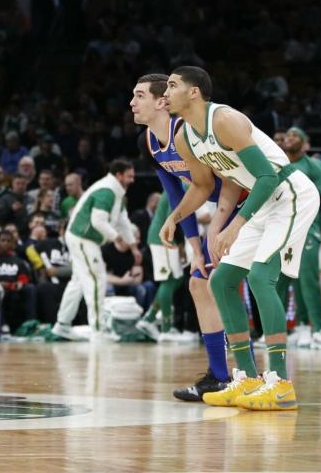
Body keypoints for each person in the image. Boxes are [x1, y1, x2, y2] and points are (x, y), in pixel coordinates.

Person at [159, 67, 321, 410]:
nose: (165, 93)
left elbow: (265, 176)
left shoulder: (225, 120)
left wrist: (235, 225)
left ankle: (279, 383)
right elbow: (215, 183)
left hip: (289, 192)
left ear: (194, 92)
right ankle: (246, 379)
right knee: (222, 281)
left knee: (262, 277)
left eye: (172, 85)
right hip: (261, 201)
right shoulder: (186, 136)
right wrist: (181, 218)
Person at [130, 72, 239, 400]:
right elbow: (176, 195)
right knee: (197, 281)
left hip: (243, 203)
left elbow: (226, 180)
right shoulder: (147, 142)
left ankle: (247, 373)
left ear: (162, 101)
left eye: (139, 96)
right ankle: (219, 376)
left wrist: (216, 231)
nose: (131, 103)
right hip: (217, 211)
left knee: (220, 280)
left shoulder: (190, 133)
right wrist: (195, 246)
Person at [50, 159, 138, 341]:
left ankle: (62, 325)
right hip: (83, 238)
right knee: (98, 280)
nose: (132, 180)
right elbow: (98, 221)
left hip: (84, 239)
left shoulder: (117, 192)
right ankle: (98, 330)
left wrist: (133, 246)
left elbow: (123, 221)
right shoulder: (106, 191)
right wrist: (117, 238)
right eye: (129, 176)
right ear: (119, 175)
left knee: (78, 282)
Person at [278, 127, 321, 346]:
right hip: (284, 230)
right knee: (286, 280)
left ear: (306, 144)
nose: (289, 138)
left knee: (308, 280)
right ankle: (301, 326)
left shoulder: (314, 166)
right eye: (288, 135)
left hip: (308, 229)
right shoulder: (280, 165)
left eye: (296, 136)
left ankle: (319, 328)